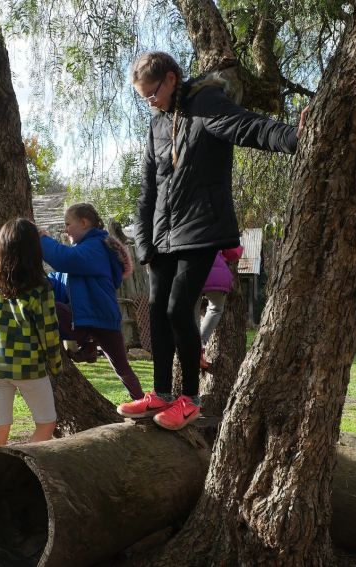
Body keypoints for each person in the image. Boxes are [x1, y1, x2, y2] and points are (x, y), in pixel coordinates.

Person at [118, 51, 307, 430]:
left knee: (177, 310)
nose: (150, 103)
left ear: (172, 78)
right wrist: (145, 243)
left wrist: (295, 136)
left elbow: (250, 127)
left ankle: (189, 398)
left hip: (201, 231)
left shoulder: (206, 104)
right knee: (157, 310)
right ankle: (160, 394)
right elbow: (147, 190)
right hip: (161, 237)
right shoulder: (157, 124)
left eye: (152, 93)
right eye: (143, 98)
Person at [40, 203, 145, 401]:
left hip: (99, 318)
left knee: (122, 367)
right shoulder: (83, 251)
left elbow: (63, 259)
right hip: (94, 318)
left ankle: (141, 402)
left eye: (68, 224)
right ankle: (88, 343)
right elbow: (63, 280)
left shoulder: (96, 247)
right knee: (122, 367)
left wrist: (42, 239)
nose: (65, 229)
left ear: (84, 223)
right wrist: (44, 282)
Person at [0, 218, 61, 449]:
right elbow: (49, 332)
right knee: (46, 423)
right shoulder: (40, 289)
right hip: (29, 367)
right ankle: (18, 468)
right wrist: (56, 366)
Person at [196, 245, 243, 369]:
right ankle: (199, 347)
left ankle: (193, 349)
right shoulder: (217, 226)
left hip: (192, 270)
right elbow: (234, 252)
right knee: (215, 309)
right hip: (217, 274)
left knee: (192, 314)